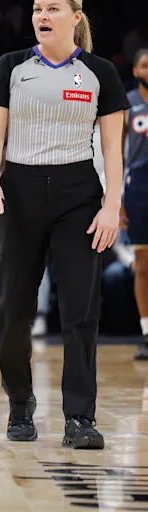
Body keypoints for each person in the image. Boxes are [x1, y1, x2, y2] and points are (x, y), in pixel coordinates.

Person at [0, 0, 129, 449]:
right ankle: (20, 403)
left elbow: (112, 148)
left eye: (53, 9)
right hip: (19, 191)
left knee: (80, 310)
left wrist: (111, 206)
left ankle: (79, 418)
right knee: (10, 311)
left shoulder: (100, 72)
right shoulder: (11, 66)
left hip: (78, 194)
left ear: (75, 17)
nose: (42, 16)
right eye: (37, 8)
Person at [126, 49, 148, 359]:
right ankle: (146, 333)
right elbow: (115, 152)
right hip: (139, 187)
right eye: (145, 64)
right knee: (143, 264)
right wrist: (116, 201)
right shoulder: (126, 102)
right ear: (135, 70)